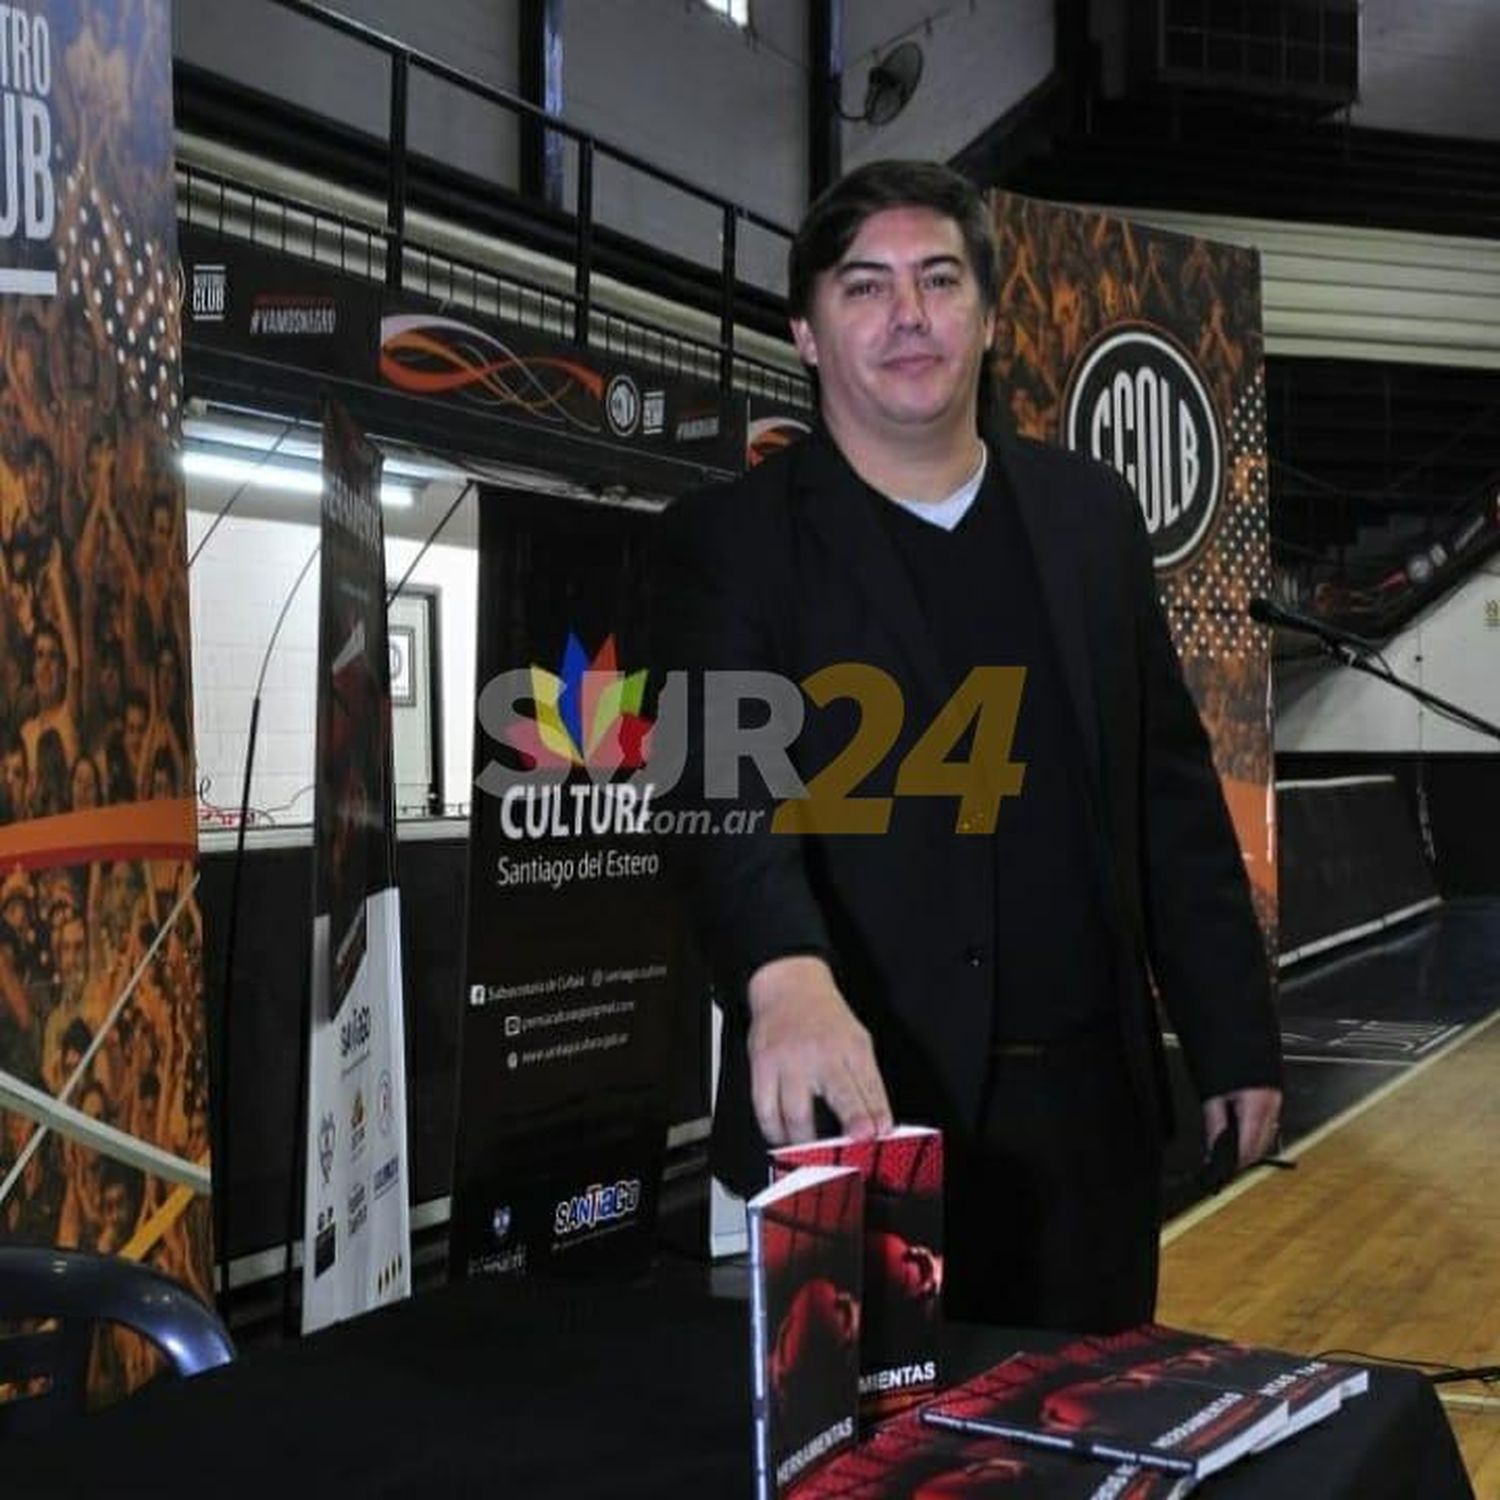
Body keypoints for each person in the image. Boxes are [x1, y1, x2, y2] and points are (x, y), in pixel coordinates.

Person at [653, 160, 1282, 1332]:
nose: (907, 315)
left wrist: (1232, 1032)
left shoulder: (1089, 517)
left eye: (940, 281)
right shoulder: (731, 543)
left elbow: (1168, 798)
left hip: (1092, 1126)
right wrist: (784, 978)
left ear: (990, 318)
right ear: (804, 331)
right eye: (864, 287)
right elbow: (714, 793)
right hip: (869, 1122)